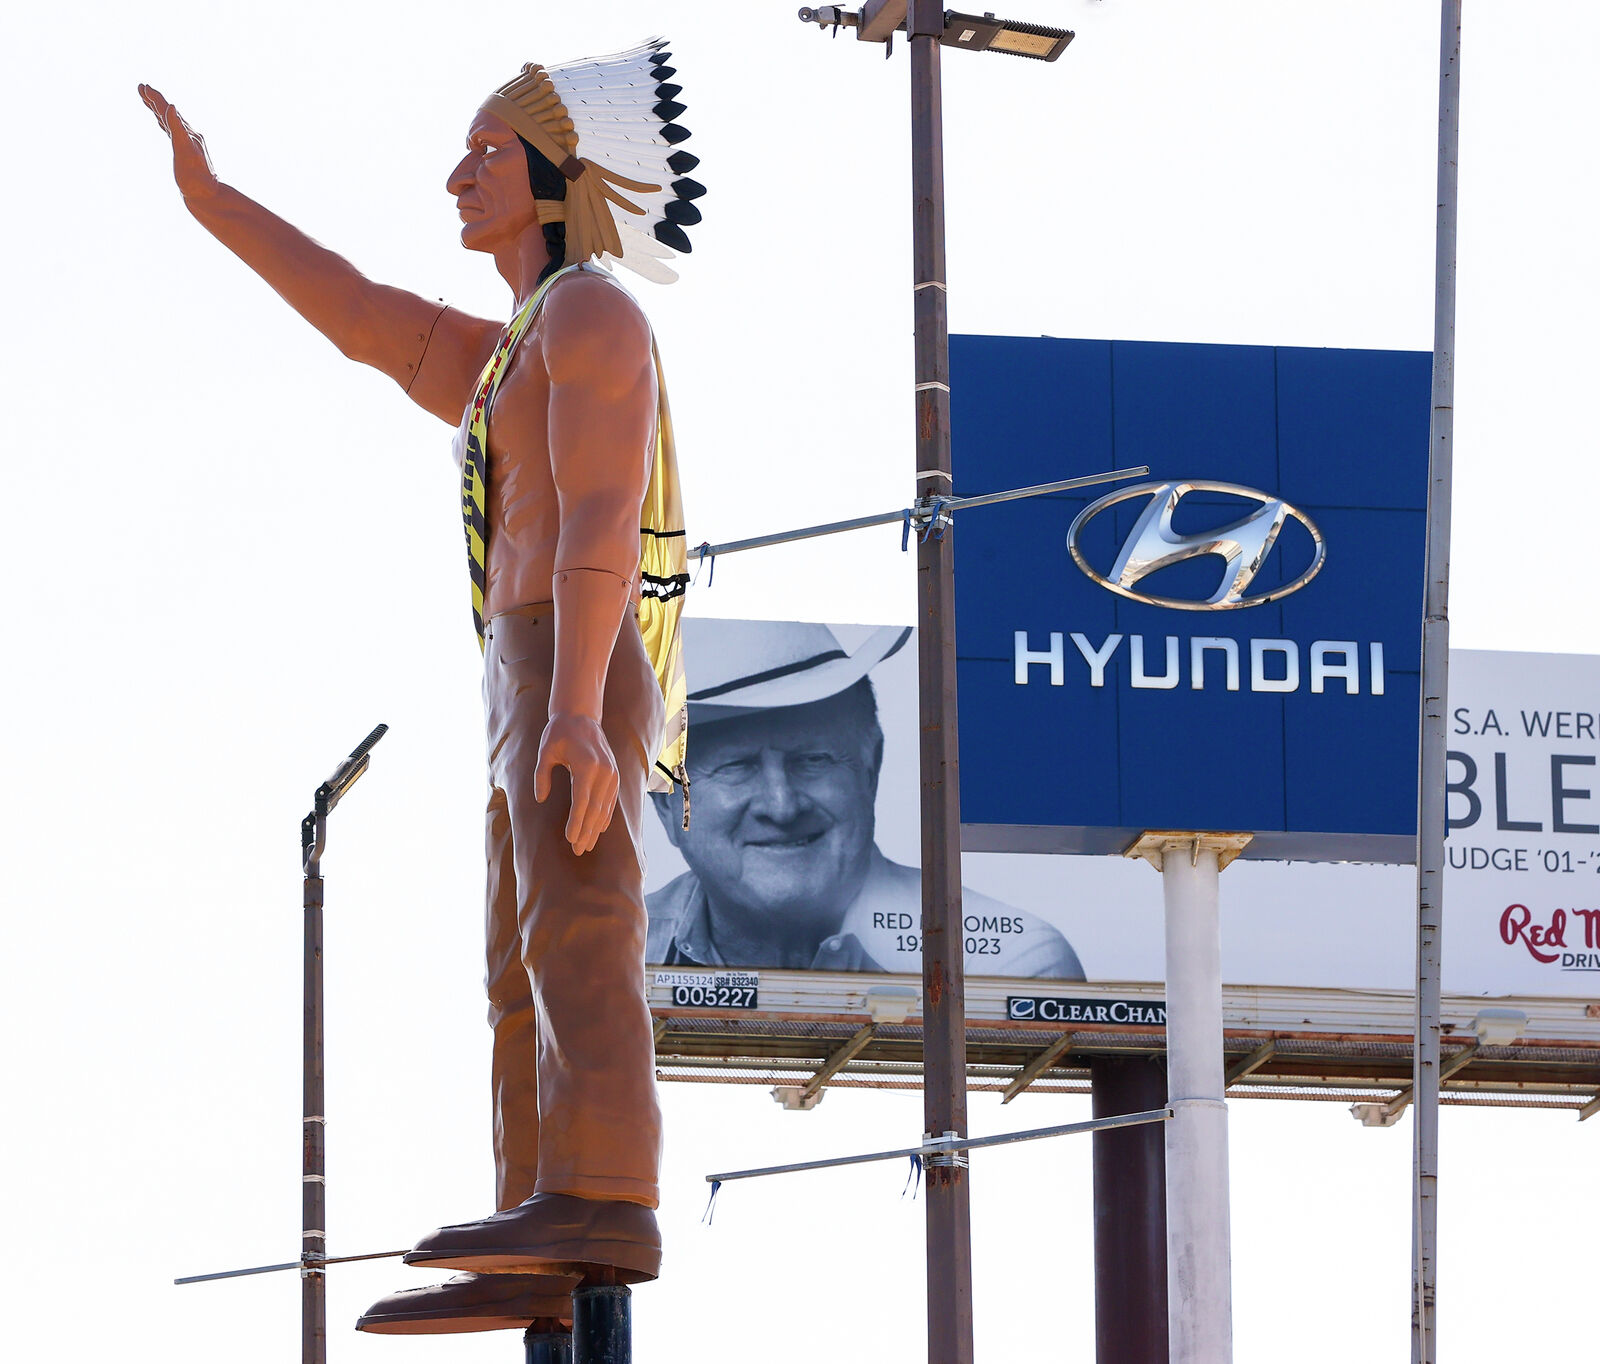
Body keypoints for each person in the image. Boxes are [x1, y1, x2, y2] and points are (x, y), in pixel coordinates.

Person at [142, 37, 703, 1336]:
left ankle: (604, 1194)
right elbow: (357, 313)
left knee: (579, 926)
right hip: (520, 666)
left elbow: (603, 510)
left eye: (489, 153)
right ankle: (537, 1215)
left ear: (560, 175)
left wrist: (574, 708)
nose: (458, 175)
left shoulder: (590, 313)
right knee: (518, 959)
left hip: (574, 657)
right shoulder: (508, 351)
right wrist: (214, 199)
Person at [648, 621, 1085, 979]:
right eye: (737, 767)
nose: (781, 807)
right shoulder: (599, 954)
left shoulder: (1009, 965)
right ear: (666, 804)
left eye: (812, 760)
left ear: (870, 769)